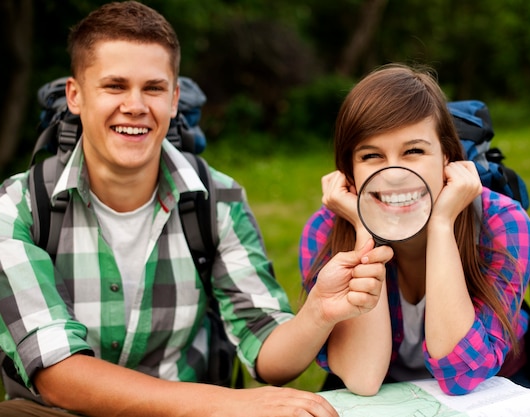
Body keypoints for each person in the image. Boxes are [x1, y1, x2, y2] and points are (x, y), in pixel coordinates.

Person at [0, 2, 393, 416]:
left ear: (173, 99)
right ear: (75, 96)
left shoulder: (217, 200)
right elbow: (57, 374)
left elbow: (268, 355)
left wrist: (317, 314)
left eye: (152, 88)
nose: (135, 105)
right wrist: (228, 404)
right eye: (114, 86)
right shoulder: (19, 207)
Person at [299, 64, 530, 397]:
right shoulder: (325, 231)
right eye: (371, 155)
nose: (394, 174)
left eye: (413, 151)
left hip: (489, 392)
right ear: (349, 173)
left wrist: (441, 223)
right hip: (385, 395)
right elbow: (362, 377)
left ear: (447, 158)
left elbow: (461, 376)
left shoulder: (503, 223)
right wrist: (364, 226)